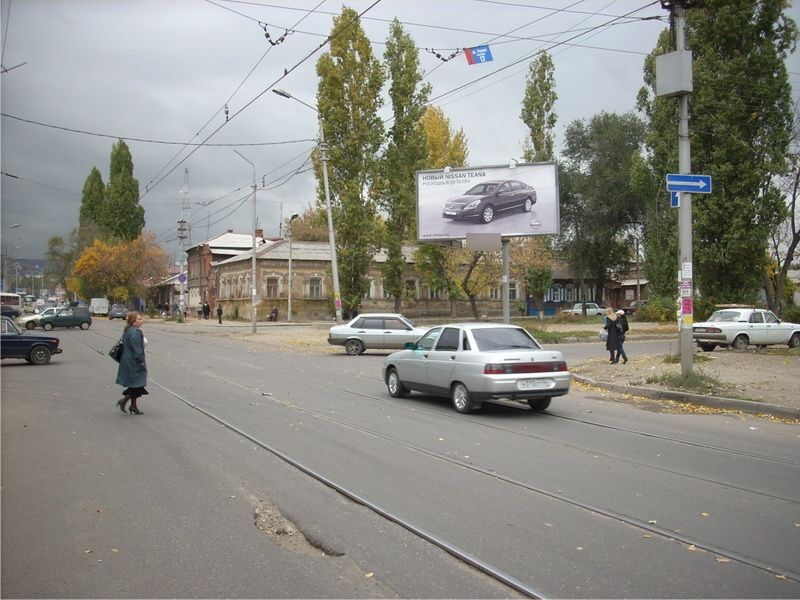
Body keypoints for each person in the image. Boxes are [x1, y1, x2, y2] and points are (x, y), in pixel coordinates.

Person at [115, 312, 148, 415]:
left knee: (135, 384)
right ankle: (124, 401)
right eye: (139, 319)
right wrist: (140, 361)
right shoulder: (135, 332)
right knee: (136, 383)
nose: (141, 320)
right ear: (133, 321)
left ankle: (132, 406)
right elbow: (137, 348)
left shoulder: (128, 330)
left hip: (127, 359)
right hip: (133, 361)